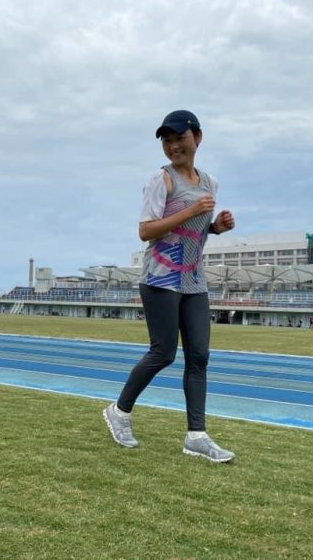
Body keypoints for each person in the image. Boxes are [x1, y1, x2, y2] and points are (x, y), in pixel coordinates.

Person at [103, 110, 236, 462]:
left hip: (193, 279)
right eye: (166, 139)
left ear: (198, 138)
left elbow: (192, 231)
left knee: (199, 356)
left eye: (180, 137)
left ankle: (197, 435)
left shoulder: (210, 183)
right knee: (163, 352)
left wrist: (215, 227)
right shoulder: (159, 181)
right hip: (160, 277)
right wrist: (191, 212)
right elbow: (147, 230)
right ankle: (119, 411)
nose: (173, 145)